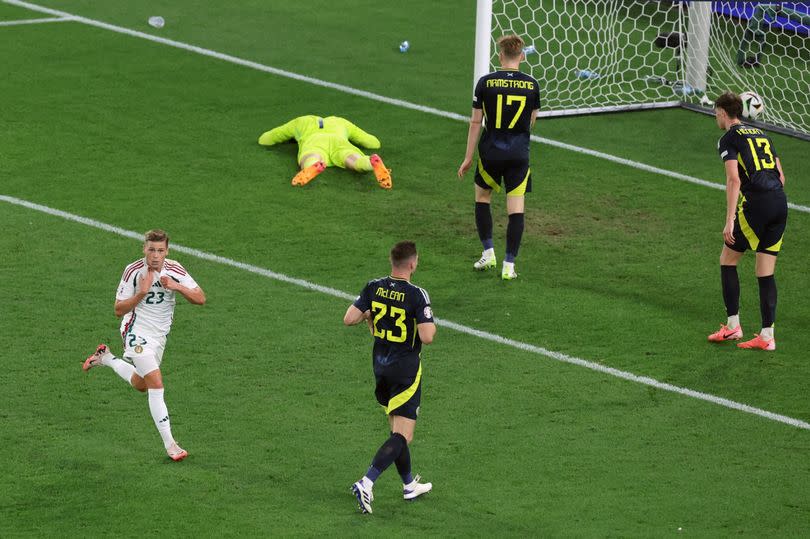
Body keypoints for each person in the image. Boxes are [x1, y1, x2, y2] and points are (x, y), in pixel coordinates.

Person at [82, 229, 206, 460]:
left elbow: (200, 298)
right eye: (151, 250)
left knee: (142, 385)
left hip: (159, 338)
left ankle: (106, 358)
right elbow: (118, 310)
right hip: (135, 332)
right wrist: (142, 292)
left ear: (167, 251)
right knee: (157, 384)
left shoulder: (175, 269)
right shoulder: (133, 271)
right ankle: (171, 445)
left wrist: (177, 287)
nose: (155, 255)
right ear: (144, 249)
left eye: (160, 250)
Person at [343, 241, 437, 514]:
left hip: (380, 368)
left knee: (396, 431)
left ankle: (409, 485)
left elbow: (349, 318)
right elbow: (427, 337)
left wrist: (371, 317)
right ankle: (367, 481)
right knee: (403, 436)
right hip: (405, 371)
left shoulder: (374, 286)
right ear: (413, 263)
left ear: (391, 261)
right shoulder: (417, 294)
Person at [708, 91, 787, 350]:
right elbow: (781, 177)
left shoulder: (728, 138)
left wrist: (730, 220)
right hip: (779, 203)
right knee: (765, 270)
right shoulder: (763, 135)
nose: (715, 116)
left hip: (759, 205)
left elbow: (734, 179)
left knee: (727, 259)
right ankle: (767, 336)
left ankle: (733, 327)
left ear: (722, 112)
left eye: (715, 112)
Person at [458, 34, 541, 280]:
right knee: (516, 209)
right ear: (522, 56)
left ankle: (488, 253)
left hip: (491, 152)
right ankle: (509, 266)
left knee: (482, 198)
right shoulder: (532, 84)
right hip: (518, 154)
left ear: (500, 55)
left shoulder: (485, 82)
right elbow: (532, 121)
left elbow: (475, 122)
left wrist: (468, 157)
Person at [258, 115, 392, 189]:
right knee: (352, 158)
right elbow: (373, 142)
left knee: (312, 155)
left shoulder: (300, 122)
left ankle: (313, 166)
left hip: (314, 141)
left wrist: (291, 138)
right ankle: (370, 162)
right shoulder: (340, 122)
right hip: (338, 141)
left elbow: (265, 139)